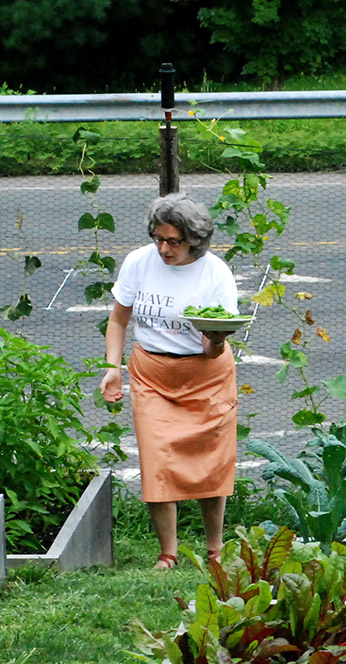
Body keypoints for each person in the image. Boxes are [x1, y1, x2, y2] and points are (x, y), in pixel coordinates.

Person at [100, 194, 239, 569]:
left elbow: (212, 350)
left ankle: (215, 550)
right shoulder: (139, 262)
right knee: (157, 458)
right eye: (158, 238)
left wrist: (218, 339)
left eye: (173, 241)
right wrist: (113, 367)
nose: (163, 248)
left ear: (195, 240)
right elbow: (118, 320)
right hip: (152, 374)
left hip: (206, 375)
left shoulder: (216, 274)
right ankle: (169, 553)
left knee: (212, 461)